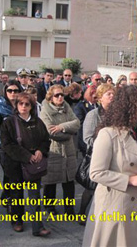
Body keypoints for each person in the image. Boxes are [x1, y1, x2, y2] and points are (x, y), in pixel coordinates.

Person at [82, 85, 137, 247]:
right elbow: (96, 173)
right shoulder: (107, 134)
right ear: (131, 105)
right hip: (116, 207)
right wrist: (130, 180)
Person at [0, 92, 51, 236]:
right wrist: (27, 156)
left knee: (35, 196)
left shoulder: (38, 122)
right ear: (16, 106)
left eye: (27, 104)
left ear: (31, 106)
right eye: (20, 104)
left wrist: (41, 151)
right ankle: (17, 221)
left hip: (34, 165)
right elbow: (7, 145)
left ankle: (38, 227)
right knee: (16, 195)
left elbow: (46, 139)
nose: (23, 106)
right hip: (15, 165)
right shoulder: (8, 122)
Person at [40, 84, 80, 215]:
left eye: (62, 94)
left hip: (68, 149)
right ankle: (49, 207)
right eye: (56, 95)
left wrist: (62, 126)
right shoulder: (45, 110)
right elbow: (49, 131)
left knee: (69, 180)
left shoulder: (67, 107)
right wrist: (69, 132)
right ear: (51, 97)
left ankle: (69, 209)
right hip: (53, 148)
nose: (60, 97)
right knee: (51, 180)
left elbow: (77, 123)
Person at [78, 84, 115, 221]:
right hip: (97, 156)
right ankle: (82, 213)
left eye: (113, 94)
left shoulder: (117, 114)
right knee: (92, 187)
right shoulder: (92, 115)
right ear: (100, 98)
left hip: (114, 157)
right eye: (108, 94)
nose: (112, 97)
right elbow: (86, 138)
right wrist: (105, 145)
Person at [0, 80, 21, 203]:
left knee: (13, 174)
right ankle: (10, 199)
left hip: (19, 145)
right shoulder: (0, 106)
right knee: (10, 172)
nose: (13, 93)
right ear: (5, 92)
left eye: (16, 90)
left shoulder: (22, 104)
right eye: (10, 91)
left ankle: (6, 194)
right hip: (2, 145)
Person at [74, 86, 98, 156]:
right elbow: (80, 124)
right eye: (95, 96)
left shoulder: (98, 105)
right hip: (86, 139)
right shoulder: (81, 106)